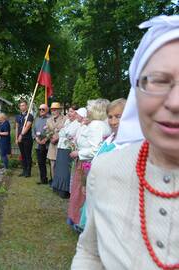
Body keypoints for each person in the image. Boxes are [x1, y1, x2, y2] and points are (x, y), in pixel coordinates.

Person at [72, 15, 179, 269]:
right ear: (136, 91)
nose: (175, 102)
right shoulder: (106, 169)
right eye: (158, 81)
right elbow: (90, 252)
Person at [76, 98, 126, 231]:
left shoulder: (126, 143)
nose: (113, 121)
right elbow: (97, 160)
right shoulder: (109, 139)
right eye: (110, 117)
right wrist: (87, 182)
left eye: (118, 117)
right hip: (97, 190)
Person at [67, 99, 110, 227]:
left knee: (82, 192)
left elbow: (95, 149)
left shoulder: (97, 125)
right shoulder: (101, 123)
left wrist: (78, 153)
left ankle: (79, 220)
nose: (88, 110)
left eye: (89, 108)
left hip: (87, 163)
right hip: (90, 162)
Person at [52, 105, 81, 198]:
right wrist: (61, 132)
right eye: (69, 111)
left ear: (77, 113)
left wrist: (62, 132)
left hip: (68, 148)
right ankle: (58, 187)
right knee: (59, 168)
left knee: (65, 170)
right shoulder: (68, 121)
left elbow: (68, 133)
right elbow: (62, 133)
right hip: (61, 146)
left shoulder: (77, 123)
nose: (69, 113)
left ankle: (65, 190)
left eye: (72, 112)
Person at [46, 102, 66, 183]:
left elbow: (66, 131)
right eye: (52, 110)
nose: (53, 112)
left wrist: (57, 138)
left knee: (61, 165)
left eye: (55, 110)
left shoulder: (65, 119)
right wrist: (50, 137)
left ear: (59, 110)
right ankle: (54, 182)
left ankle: (60, 183)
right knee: (52, 164)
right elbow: (47, 131)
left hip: (61, 145)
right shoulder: (48, 120)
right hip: (52, 145)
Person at [32, 104, 50, 184]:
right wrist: (36, 138)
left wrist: (46, 139)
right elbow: (33, 131)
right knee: (41, 162)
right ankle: (43, 179)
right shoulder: (37, 119)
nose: (41, 111)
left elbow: (52, 131)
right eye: (40, 109)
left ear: (47, 110)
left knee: (51, 163)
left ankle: (53, 180)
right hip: (38, 144)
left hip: (48, 145)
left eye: (43, 109)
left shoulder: (50, 119)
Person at [15, 100, 34, 177]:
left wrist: (21, 135)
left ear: (26, 106)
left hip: (27, 139)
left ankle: (28, 172)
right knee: (22, 155)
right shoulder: (18, 116)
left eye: (23, 105)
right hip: (19, 139)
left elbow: (27, 126)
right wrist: (16, 137)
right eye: (21, 105)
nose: (22, 107)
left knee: (27, 155)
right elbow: (16, 127)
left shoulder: (29, 116)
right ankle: (24, 170)